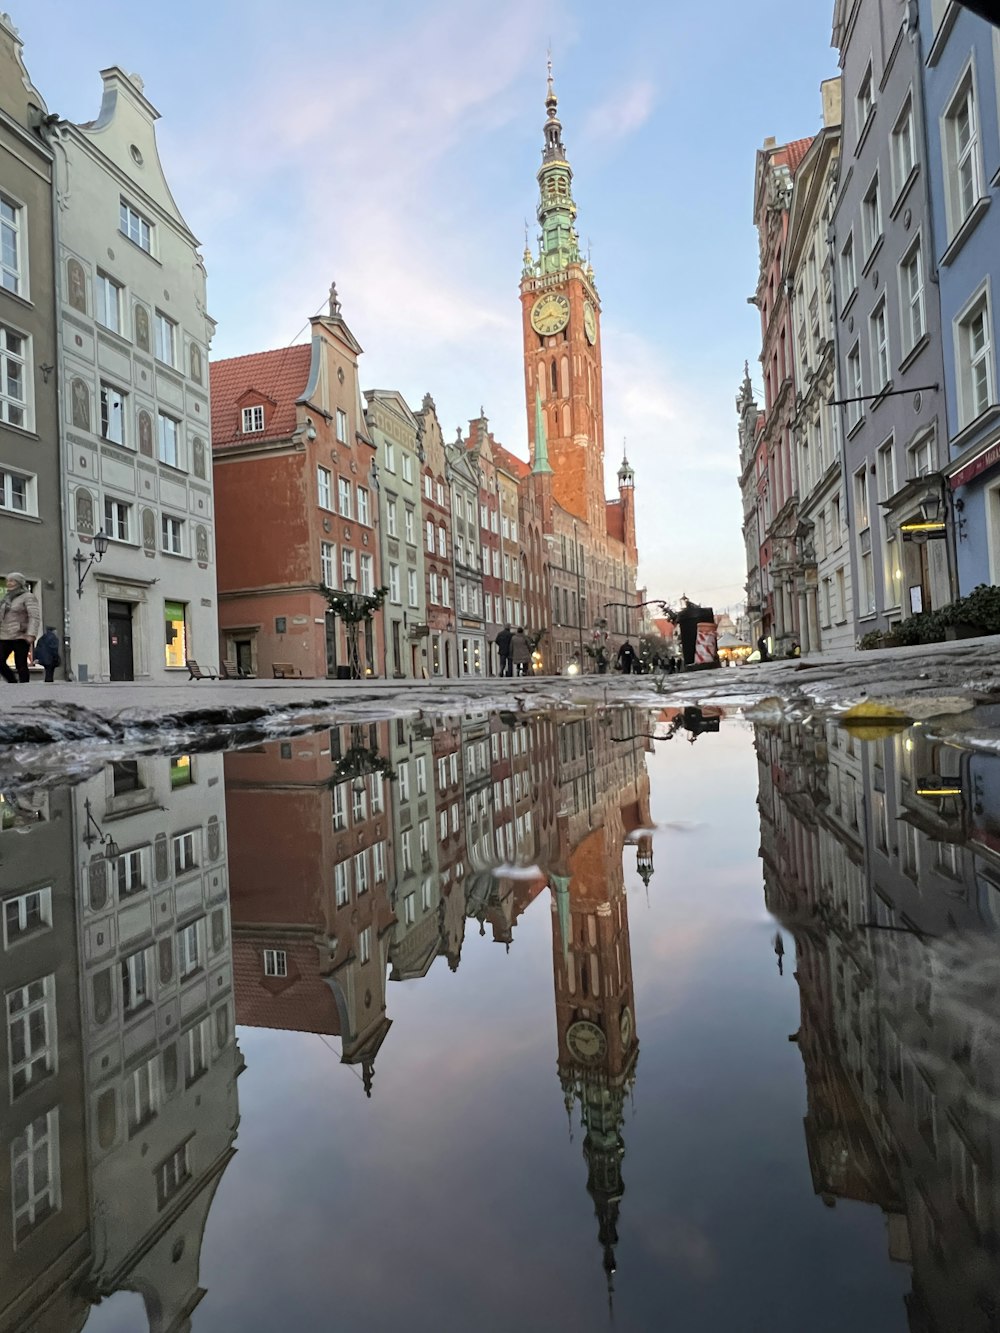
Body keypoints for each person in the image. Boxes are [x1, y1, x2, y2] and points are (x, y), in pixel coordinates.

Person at [0, 573, 41, 683]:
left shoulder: (28, 597)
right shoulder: (6, 598)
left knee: (21, 664)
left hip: (21, 635)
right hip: (4, 635)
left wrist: (31, 633)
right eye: (8, 581)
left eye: (12, 581)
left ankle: (24, 687)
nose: (9, 583)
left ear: (19, 583)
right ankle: (12, 682)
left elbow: (34, 616)